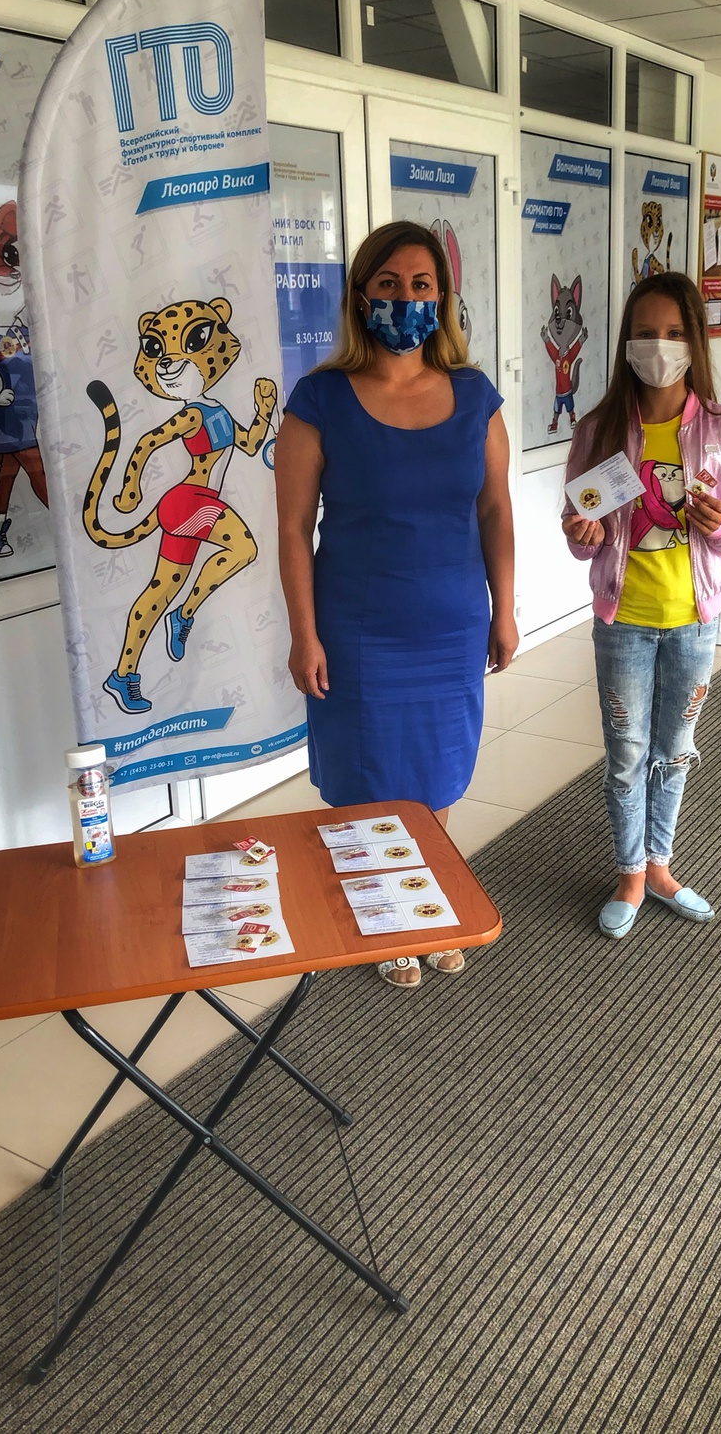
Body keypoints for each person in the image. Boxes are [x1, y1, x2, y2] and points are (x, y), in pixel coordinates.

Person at [275, 221, 517, 988]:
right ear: (359, 295)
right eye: (387, 284)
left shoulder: (475, 396)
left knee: (436, 777)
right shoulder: (319, 400)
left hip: (450, 626)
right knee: (367, 777)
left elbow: (495, 510)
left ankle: (425, 900)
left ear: (441, 298)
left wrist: (506, 608)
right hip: (357, 630)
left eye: (420, 285)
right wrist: (303, 634)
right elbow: (292, 527)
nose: (405, 299)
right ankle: (382, 914)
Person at [562, 271, 721, 940]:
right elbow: (580, 534)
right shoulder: (599, 431)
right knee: (626, 753)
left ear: (694, 340)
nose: (659, 346)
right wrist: (584, 534)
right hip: (623, 621)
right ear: (626, 342)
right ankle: (628, 872)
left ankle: (660, 865)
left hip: (693, 622)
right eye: (645, 333)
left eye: (674, 333)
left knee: (675, 751)